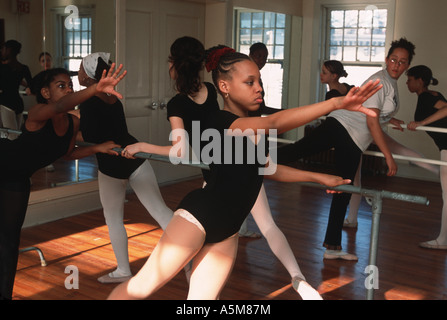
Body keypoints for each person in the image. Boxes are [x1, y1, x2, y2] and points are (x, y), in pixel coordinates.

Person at [107, 47, 381, 300]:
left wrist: (319, 178)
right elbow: (274, 121)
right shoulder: (220, 121)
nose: (258, 88)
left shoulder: (246, 130)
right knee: (140, 288)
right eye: (250, 82)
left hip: (228, 230)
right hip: (198, 217)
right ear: (224, 87)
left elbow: (266, 170)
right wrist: (334, 104)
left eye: (259, 81)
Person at [276, 38, 416, 261]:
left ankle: (332, 247)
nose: (396, 65)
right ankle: (246, 161)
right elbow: (371, 122)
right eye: (393, 59)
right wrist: (389, 157)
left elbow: (376, 112)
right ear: (386, 59)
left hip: (350, 134)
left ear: (407, 65)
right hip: (344, 129)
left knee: (341, 187)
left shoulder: (390, 82)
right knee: (299, 154)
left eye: (402, 62)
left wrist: (391, 119)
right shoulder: (380, 80)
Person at [0, 65, 126, 300]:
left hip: (16, 179)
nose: (68, 90)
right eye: (61, 86)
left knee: (9, 241)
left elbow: (66, 154)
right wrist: (95, 89)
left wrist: (97, 148)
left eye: (70, 86)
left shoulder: (72, 123)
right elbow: (59, 106)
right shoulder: (38, 113)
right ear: (46, 93)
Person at [77, 52, 174, 283]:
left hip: (113, 165)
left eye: (81, 68)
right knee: (160, 211)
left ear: (90, 76)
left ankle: (123, 270)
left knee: (113, 218)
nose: (78, 72)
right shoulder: (112, 98)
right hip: (134, 159)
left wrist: (66, 130)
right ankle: (191, 253)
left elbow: (90, 138)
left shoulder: (89, 102)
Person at [406, 65, 447, 249]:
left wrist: (422, 122)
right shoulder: (432, 95)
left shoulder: (426, 97)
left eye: (410, 79)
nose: (407, 82)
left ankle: (443, 241)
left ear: (419, 81)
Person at [0, 40, 32, 115]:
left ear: (8, 50)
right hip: (18, 103)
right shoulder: (24, 68)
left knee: (9, 127)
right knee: (16, 126)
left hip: (5, 103)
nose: (1, 51)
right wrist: (27, 88)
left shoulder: (2, 68)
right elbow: (31, 84)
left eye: (3, 49)